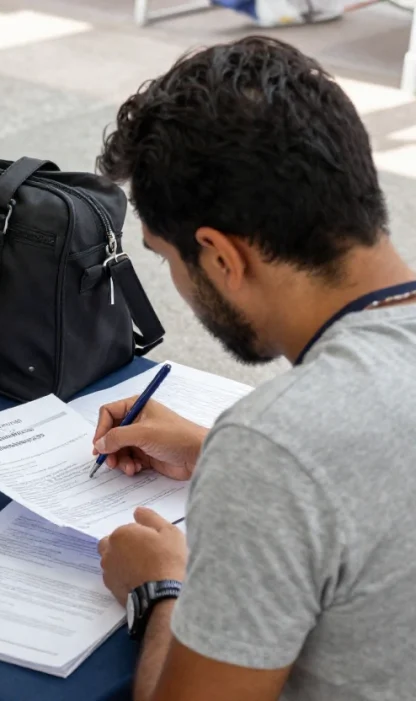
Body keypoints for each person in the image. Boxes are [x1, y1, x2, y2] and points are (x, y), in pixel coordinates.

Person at [91, 36, 416, 701]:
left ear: (218, 256)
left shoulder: (275, 448)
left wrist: (160, 589)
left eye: (164, 256)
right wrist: (211, 450)